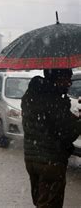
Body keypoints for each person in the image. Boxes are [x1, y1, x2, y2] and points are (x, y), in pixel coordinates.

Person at [21, 69, 81, 207]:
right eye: (67, 78)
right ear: (57, 78)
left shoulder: (32, 95)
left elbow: (45, 124)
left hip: (32, 159)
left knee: (41, 200)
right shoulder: (53, 100)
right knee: (50, 204)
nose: (69, 83)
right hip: (51, 161)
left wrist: (70, 116)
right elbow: (67, 133)